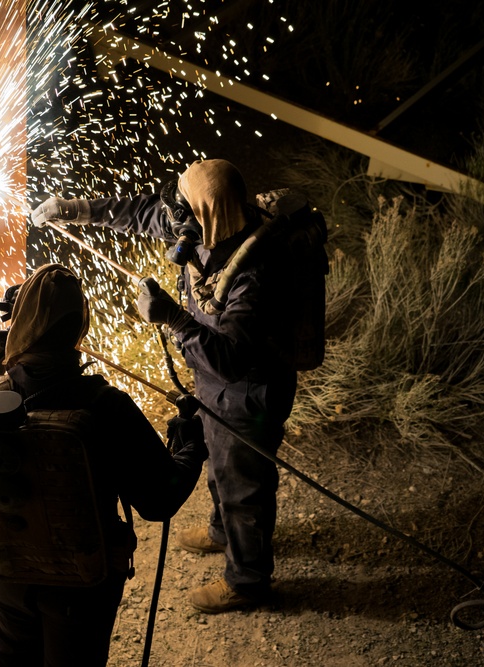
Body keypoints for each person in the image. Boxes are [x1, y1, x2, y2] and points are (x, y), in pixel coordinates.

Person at [30, 159, 298, 614]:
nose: (174, 220)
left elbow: (231, 360)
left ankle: (249, 580)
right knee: (217, 461)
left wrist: (173, 317)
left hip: (250, 391)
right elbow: (138, 212)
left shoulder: (254, 273)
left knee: (242, 482)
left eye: (184, 211)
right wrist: (71, 208)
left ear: (210, 214)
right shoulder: (198, 221)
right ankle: (222, 531)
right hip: (214, 382)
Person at [0, 263, 208, 667]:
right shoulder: (106, 407)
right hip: (82, 585)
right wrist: (190, 444)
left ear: (17, 325)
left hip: (7, 574)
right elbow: (159, 501)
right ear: (79, 328)